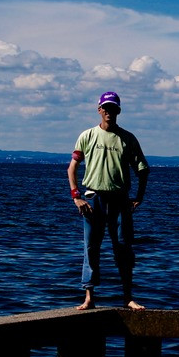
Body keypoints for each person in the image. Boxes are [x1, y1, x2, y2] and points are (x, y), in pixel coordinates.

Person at [66, 91, 149, 311]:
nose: (109, 112)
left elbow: (143, 169)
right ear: (99, 109)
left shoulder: (128, 139)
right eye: (106, 108)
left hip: (120, 199)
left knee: (123, 248)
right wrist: (76, 197)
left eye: (114, 108)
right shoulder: (87, 136)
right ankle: (89, 297)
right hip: (93, 198)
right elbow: (72, 167)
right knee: (91, 248)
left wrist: (138, 197)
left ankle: (128, 297)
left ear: (118, 111)